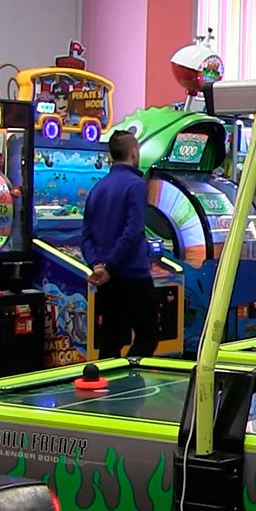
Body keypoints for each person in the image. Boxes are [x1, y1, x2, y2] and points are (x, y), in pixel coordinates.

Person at [81, 130, 159, 359]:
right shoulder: (136, 185)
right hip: (132, 273)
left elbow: (85, 235)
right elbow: (133, 230)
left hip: (106, 277)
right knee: (148, 335)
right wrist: (111, 265)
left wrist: (97, 265)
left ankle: (105, 380)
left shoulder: (98, 187)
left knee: (111, 339)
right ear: (134, 152)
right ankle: (130, 376)